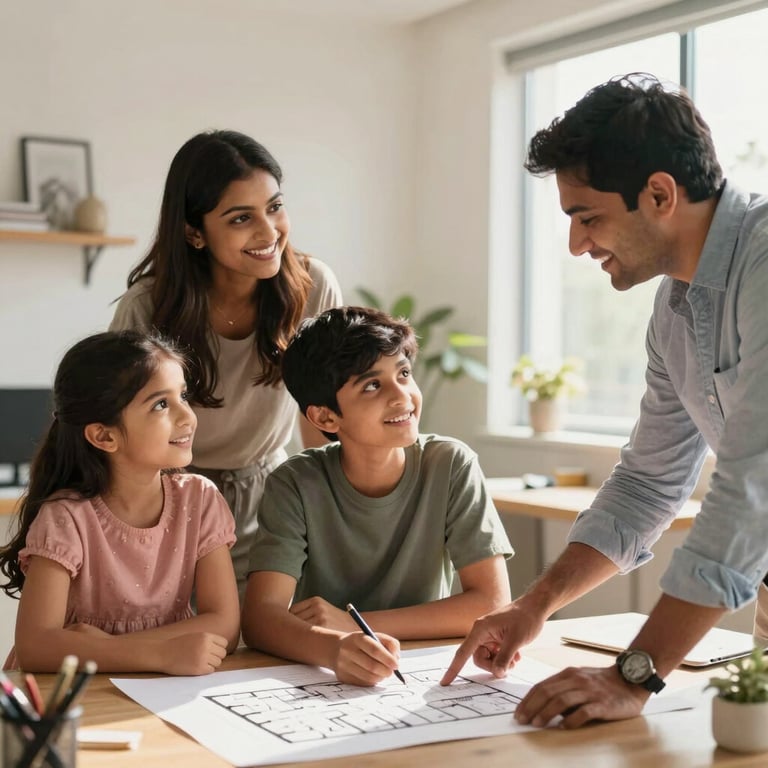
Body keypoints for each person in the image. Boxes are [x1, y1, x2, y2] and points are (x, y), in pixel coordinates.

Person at [441, 72, 768, 727]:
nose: (576, 244)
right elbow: (649, 482)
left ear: (658, 194)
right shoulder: (674, 311)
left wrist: (634, 674)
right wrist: (535, 605)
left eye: (587, 217)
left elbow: (753, 485)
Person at [109, 130, 342, 597]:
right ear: (194, 232)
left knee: (267, 656)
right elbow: (119, 434)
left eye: (275, 207)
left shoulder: (312, 286)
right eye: (241, 218)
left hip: (273, 498)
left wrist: (332, 516)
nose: (268, 231)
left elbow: (325, 417)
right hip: (165, 502)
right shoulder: (146, 308)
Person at [241, 306, 513, 685]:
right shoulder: (295, 483)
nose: (402, 396)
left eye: (403, 374)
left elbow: (491, 603)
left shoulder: (451, 464)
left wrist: (355, 625)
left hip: (423, 669)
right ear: (325, 418)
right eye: (372, 385)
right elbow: (260, 619)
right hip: (328, 675)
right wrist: (333, 648)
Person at [0, 331, 240, 674]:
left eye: (182, 395)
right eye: (161, 404)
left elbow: (225, 627)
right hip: (76, 697)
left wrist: (101, 648)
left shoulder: (199, 500)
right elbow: (36, 646)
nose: (187, 416)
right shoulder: (66, 517)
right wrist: (159, 655)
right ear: (104, 435)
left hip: (159, 689)